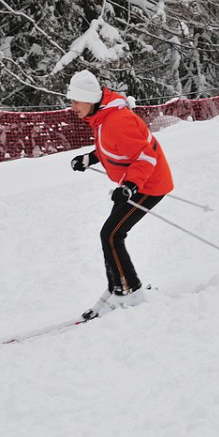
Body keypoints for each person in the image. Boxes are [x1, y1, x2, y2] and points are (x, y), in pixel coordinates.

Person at [67, 69, 174, 320]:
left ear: (90, 100)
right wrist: (89, 158)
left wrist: (130, 187)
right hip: (137, 183)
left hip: (150, 184)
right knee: (111, 234)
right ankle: (120, 286)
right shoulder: (103, 118)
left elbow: (146, 156)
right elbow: (112, 148)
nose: (72, 107)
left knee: (112, 234)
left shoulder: (117, 121)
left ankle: (128, 291)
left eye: (75, 101)